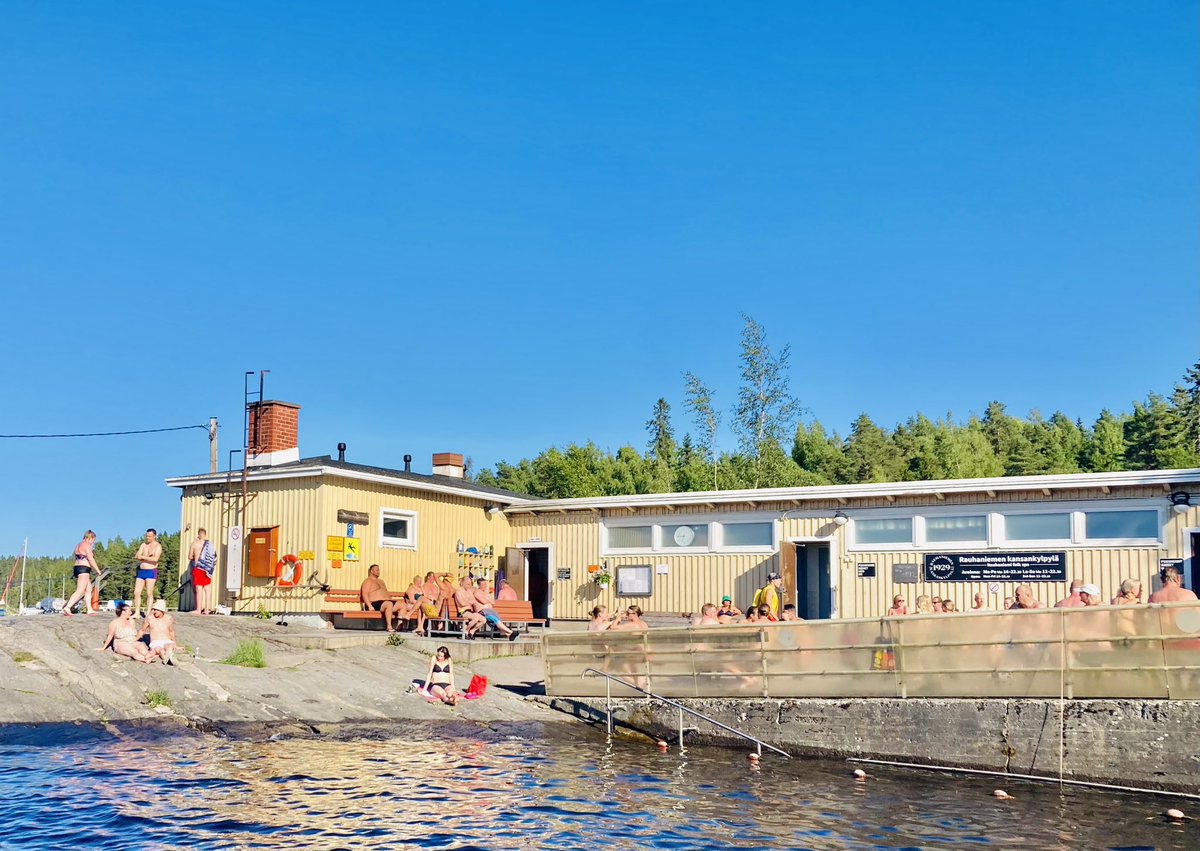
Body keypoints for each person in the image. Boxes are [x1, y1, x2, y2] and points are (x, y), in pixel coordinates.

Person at [64, 530, 99, 616]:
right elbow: (91, 559)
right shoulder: (87, 546)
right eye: (92, 541)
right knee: (80, 590)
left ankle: (89, 609)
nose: (92, 543)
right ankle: (67, 607)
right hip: (84, 568)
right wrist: (97, 570)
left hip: (77, 567)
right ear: (89, 538)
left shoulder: (78, 545)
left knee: (88, 589)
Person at [360, 564, 402, 633]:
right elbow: (364, 594)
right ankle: (389, 626)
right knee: (389, 604)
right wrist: (369, 606)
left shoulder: (381, 581)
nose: (378, 571)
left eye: (379, 570)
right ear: (371, 571)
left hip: (385, 602)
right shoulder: (367, 581)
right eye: (377, 570)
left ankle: (399, 625)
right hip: (374, 603)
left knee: (402, 604)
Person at [132, 528, 163, 619]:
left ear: (154, 536)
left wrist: (143, 557)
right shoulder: (143, 545)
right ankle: (137, 612)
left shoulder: (158, 546)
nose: (147, 538)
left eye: (149, 536)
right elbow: (137, 556)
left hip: (150, 571)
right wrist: (147, 557)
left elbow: (155, 559)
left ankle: (148, 612)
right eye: (146, 536)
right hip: (141, 571)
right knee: (136, 592)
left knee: (149, 593)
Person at [188, 528, 218, 615]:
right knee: (207, 588)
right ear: (205, 534)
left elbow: (190, 557)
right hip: (207, 569)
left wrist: (198, 558)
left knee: (199, 588)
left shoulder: (195, 544)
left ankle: (198, 609)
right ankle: (207, 610)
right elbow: (215, 558)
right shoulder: (210, 545)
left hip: (198, 568)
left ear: (198, 534)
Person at [139, 599, 177, 664]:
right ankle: (166, 658)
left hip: (167, 640)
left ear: (162, 611)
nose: (155, 612)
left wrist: (175, 644)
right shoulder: (149, 618)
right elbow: (142, 630)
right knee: (160, 650)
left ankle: (168, 657)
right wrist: (133, 640)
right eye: (154, 610)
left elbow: (171, 632)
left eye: (157, 610)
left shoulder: (169, 618)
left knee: (170, 646)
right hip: (155, 642)